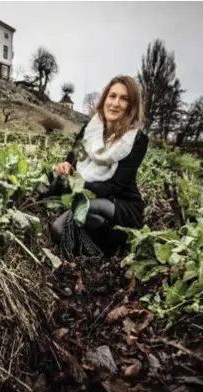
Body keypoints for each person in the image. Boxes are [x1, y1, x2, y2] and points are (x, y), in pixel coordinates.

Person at [49, 75, 149, 257]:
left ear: (131, 106)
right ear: (105, 99)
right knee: (63, 228)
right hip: (90, 195)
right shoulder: (90, 129)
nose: (116, 103)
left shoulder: (137, 140)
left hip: (119, 203)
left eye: (124, 99)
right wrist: (64, 168)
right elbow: (72, 159)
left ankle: (110, 245)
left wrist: (77, 184)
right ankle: (102, 243)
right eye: (112, 96)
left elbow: (113, 186)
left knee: (59, 228)